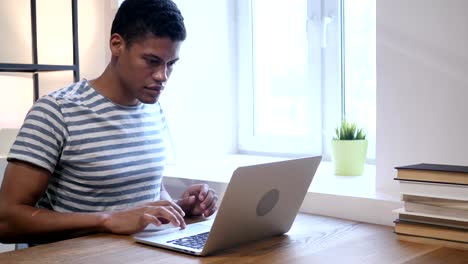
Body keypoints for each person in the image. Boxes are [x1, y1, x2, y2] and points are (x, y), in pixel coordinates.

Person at [0, 0, 218, 245]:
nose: (162, 76)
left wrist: (178, 208)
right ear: (117, 45)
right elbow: (6, 220)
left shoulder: (153, 109)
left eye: (171, 64)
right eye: (151, 61)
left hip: (147, 255)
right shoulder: (56, 111)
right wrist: (105, 219)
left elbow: (145, 197)